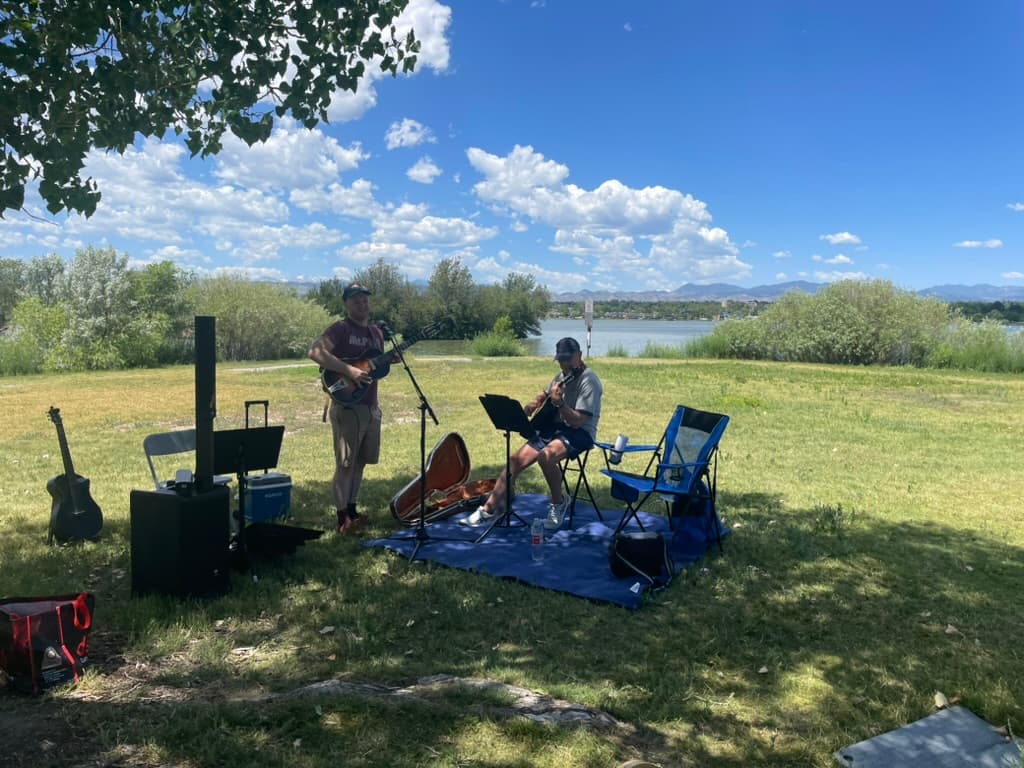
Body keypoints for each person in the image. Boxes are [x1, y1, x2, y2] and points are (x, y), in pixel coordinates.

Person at [461, 336, 603, 530]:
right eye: (561, 360)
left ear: (579, 355)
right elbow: (545, 392)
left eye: (568, 359)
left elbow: (578, 421)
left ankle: (559, 502)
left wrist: (560, 403)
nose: (564, 364)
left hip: (579, 433)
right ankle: (488, 510)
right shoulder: (562, 376)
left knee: (546, 456)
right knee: (515, 461)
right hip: (555, 429)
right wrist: (534, 403)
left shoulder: (589, 381)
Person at [308, 282, 390, 534]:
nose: (362, 304)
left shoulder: (376, 333)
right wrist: (349, 370)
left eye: (365, 300)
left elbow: (371, 366)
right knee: (345, 464)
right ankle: (342, 518)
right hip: (347, 406)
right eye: (356, 300)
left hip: (370, 405)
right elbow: (315, 352)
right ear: (346, 304)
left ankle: (353, 511)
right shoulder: (340, 329)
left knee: (361, 462)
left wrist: (390, 360)